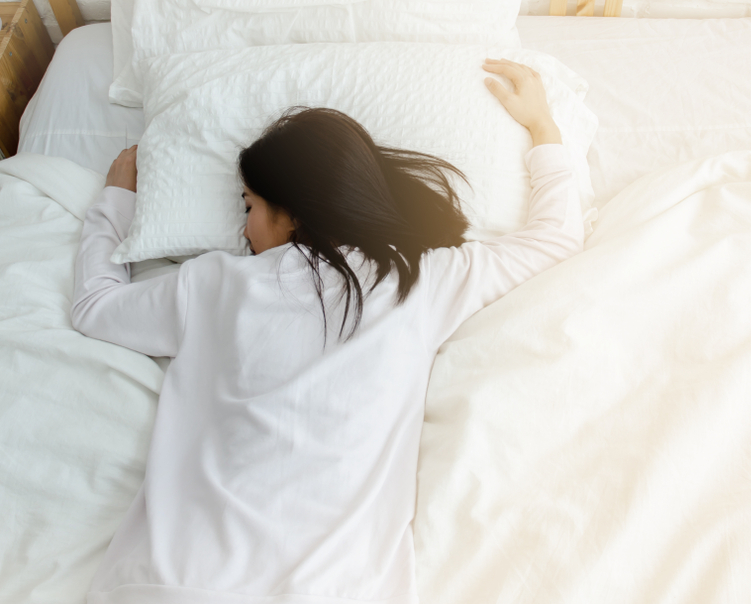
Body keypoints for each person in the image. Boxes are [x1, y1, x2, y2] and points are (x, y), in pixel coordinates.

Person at [72, 59, 582, 604]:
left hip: (175, 581)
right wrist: (543, 129)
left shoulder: (212, 284)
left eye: (249, 205)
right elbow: (555, 238)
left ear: (292, 212)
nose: (243, 228)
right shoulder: (420, 278)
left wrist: (114, 205)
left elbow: (95, 306)